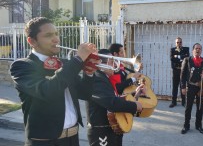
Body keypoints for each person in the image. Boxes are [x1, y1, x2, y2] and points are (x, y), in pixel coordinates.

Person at [9, 17, 98, 146]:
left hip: (73, 138)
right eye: (48, 35)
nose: (56, 39)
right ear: (32, 41)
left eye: (56, 34)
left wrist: (89, 73)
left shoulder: (64, 63)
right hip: (45, 142)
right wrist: (78, 59)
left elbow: (85, 94)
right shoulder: (22, 66)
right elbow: (48, 90)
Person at [86, 49, 144, 146]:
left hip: (109, 129)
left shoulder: (104, 78)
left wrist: (135, 94)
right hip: (101, 131)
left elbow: (114, 97)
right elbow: (112, 103)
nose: (115, 64)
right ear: (101, 63)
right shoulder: (97, 79)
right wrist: (134, 106)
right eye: (112, 61)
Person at [180, 43, 203, 135]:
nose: (198, 50)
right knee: (188, 107)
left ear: (201, 50)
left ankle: (198, 126)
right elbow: (182, 75)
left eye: (200, 49)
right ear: (193, 50)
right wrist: (183, 87)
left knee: (200, 107)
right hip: (190, 87)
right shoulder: (187, 60)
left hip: (201, 87)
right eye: (196, 48)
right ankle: (186, 126)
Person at [169, 37, 190, 108]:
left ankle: (184, 102)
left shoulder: (186, 49)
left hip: (183, 71)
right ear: (175, 43)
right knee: (175, 87)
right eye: (177, 42)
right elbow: (172, 59)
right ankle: (173, 102)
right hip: (175, 71)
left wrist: (177, 57)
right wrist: (181, 58)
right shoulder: (172, 50)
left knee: (182, 87)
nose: (179, 43)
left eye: (180, 42)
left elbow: (187, 57)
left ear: (182, 42)